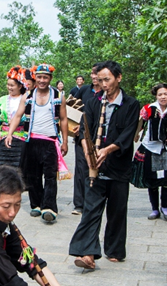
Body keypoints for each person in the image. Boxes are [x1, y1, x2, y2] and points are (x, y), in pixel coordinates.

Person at [69, 60, 141, 269]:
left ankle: (115, 249)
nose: (103, 84)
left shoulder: (131, 104)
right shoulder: (92, 102)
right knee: (91, 209)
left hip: (118, 165)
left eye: (107, 79)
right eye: (100, 80)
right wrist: (86, 148)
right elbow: (84, 128)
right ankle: (88, 254)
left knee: (117, 210)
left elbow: (128, 134)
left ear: (118, 78)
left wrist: (107, 150)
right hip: (95, 166)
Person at [6, 64, 69, 223]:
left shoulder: (58, 96)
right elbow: (18, 115)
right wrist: (9, 134)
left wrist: (65, 141)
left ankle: (49, 208)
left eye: (45, 77)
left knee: (50, 176)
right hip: (31, 140)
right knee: (32, 176)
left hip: (50, 141)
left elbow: (63, 119)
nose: (42, 80)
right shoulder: (27, 96)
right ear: (35, 78)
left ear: (50, 79)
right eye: (39, 77)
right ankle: (36, 204)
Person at [131, 83, 167, 221]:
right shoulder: (149, 109)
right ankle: (155, 209)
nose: (163, 97)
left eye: (165, 94)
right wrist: (136, 134)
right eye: (160, 94)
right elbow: (139, 122)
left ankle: (165, 207)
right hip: (151, 148)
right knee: (152, 180)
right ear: (156, 96)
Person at [71, 64, 102, 215]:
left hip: (100, 138)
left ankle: (93, 202)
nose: (94, 76)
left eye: (97, 74)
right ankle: (79, 204)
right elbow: (72, 107)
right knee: (81, 169)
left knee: (97, 169)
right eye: (92, 73)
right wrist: (75, 125)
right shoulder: (84, 90)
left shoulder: (106, 93)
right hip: (81, 136)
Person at [0, 66, 28, 168]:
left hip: (20, 139)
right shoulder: (2, 100)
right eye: (8, 85)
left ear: (20, 86)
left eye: (12, 85)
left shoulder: (26, 99)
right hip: (4, 138)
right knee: (3, 169)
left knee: (19, 168)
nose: (9, 87)